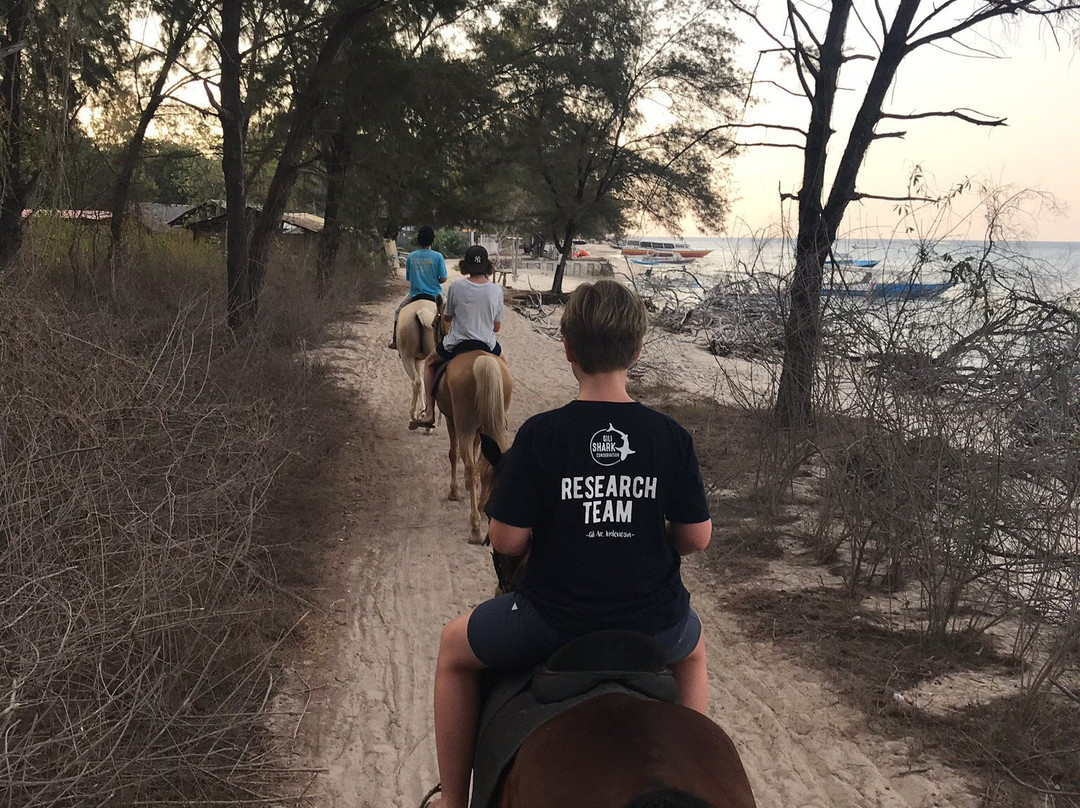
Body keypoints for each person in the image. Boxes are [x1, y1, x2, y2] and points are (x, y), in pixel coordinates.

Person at [430, 280, 712, 808]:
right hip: (654, 622)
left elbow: (505, 540)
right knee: (694, 653)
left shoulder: (541, 434)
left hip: (551, 621)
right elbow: (696, 538)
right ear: (637, 349)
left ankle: (452, 802)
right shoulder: (669, 435)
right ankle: (690, 762)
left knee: (452, 650)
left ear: (567, 349)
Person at [412, 244, 504, 429]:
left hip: (457, 342)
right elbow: (496, 327)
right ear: (487, 266)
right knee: (504, 367)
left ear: (465, 266)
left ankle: (429, 413)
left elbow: (447, 318)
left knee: (429, 363)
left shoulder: (456, 287)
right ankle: (501, 412)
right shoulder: (497, 291)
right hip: (487, 343)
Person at [388, 226, 448, 349]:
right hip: (434, 295)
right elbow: (443, 278)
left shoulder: (411, 257)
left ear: (418, 240)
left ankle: (395, 340)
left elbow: (409, 278)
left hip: (414, 294)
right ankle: (449, 341)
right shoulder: (438, 257)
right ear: (432, 240)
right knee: (448, 314)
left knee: (398, 312)